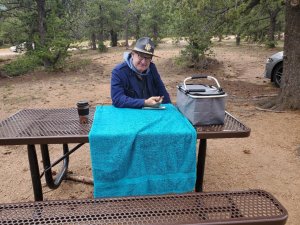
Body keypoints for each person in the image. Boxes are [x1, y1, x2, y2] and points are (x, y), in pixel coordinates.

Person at [111, 37, 171, 108]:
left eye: (148, 57)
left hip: (150, 113)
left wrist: (169, 108)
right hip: (128, 114)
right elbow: (117, 99)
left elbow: (162, 91)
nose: (143, 62)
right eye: (140, 56)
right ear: (132, 54)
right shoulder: (119, 71)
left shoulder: (152, 68)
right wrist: (144, 103)